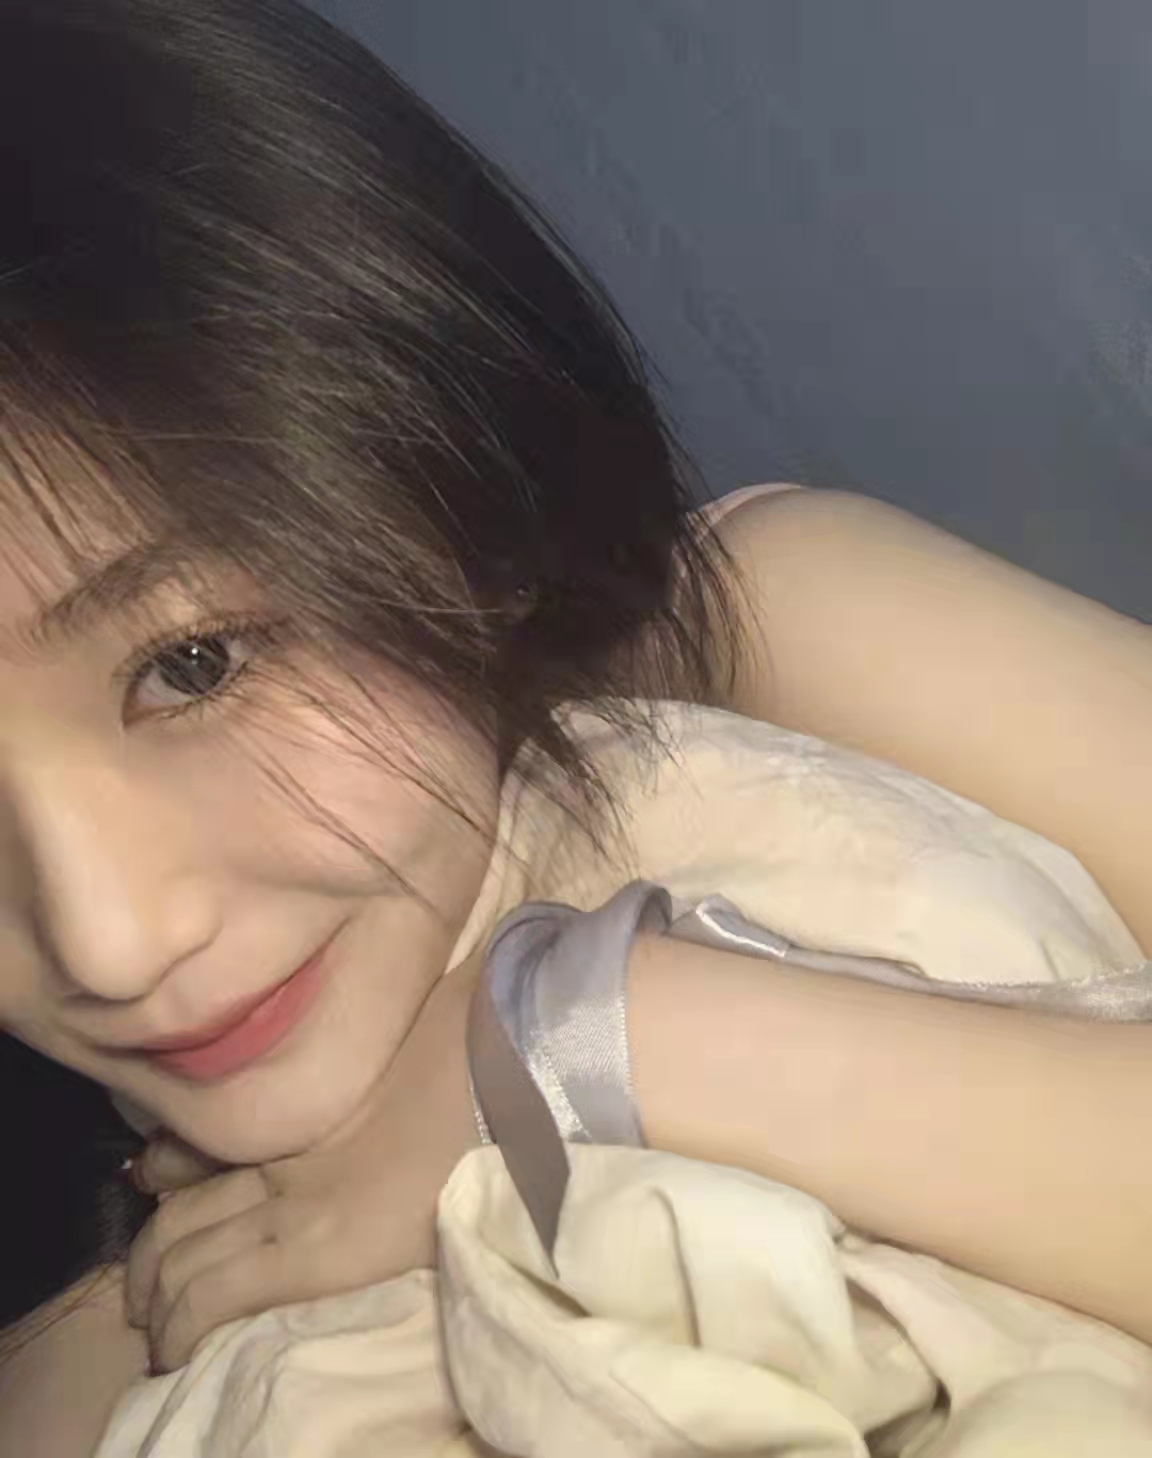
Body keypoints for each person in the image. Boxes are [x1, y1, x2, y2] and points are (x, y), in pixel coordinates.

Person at [4, 0, 1152, 1451]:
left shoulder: (762, 637)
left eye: (195, 661)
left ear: (437, 469)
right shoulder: (86, 1343)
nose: (111, 943)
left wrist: (588, 1038)